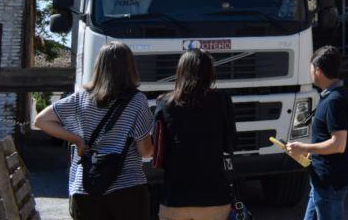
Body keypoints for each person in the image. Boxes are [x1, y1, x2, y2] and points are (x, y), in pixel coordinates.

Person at [34, 42, 154, 220]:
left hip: (85, 187)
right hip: (127, 188)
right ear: (130, 67)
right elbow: (145, 150)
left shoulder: (80, 98)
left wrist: (77, 140)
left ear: (99, 66)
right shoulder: (138, 101)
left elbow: (41, 120)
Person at [153, 49, 236, 220]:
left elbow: (158, 154)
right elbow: (231, 144)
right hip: (215, 196)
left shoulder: (164, 104)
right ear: (210, 73)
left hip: (174, 197)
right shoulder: (223, 100)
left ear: (180, 72)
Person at [286, 45, 348, 220]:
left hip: (330, 182)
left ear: (318, 70)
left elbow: (338, 144)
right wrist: (309, 154)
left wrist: (304, 148)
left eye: (311, 68)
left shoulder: (335, 100)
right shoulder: (334, 96)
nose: (310, 72)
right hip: (321, 181)